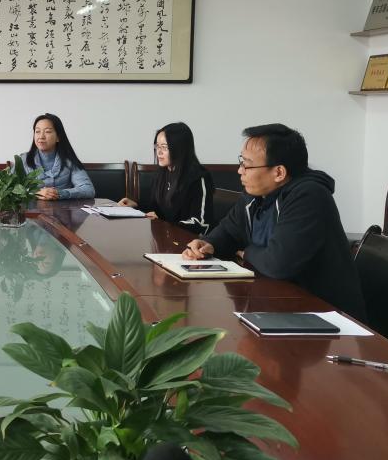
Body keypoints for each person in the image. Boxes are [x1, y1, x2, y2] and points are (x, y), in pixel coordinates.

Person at [183, 124, 367, 321]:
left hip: (325, 317)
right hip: (278, 305)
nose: (240, 170)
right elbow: (229, 230)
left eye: (247, 164)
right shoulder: (255, 194)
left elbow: (277, 264)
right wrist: (209, 243)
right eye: (241, 161)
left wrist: (247, 252)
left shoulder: (309, 196)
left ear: (279, 172)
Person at [118, 122, 214, 233]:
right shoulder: (162, 173)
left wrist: (165, 224)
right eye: (157, 146)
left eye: (164, 147)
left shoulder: (198, 178)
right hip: (165, 237)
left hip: (189, 240)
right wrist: (135, 205)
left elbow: (201, 223)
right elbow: (156, 209)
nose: (159, 152)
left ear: (180, 148)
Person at [20, 113, 94, 200]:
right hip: (32, 209)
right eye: (37, 131)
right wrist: (36, 193)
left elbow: (88, 189)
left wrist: (59, 193)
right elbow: (9, 190)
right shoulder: (23, 160)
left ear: (58, 137)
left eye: (47, 131)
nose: (41, 136)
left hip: (64, 208)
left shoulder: (69, 160)